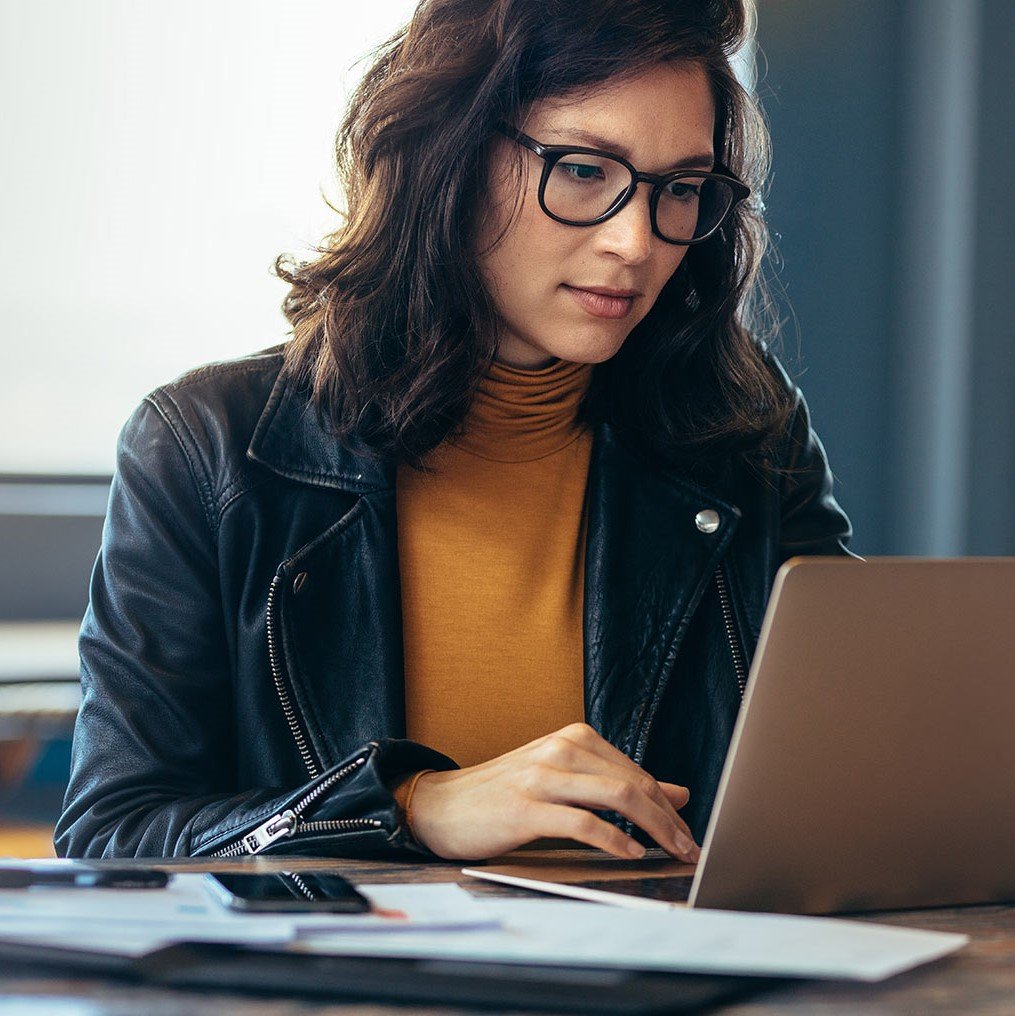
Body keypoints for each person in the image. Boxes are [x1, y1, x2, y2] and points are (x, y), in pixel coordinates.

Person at [55, 0, 853, 863]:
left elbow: (856, 766)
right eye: (585, 170)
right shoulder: (206, 446)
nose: (636, 242)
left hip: (671, 982)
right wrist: (413, 806)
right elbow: (114, 834)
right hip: (351, 991)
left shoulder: (741, 432)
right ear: (450, 155)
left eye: (681, 189)